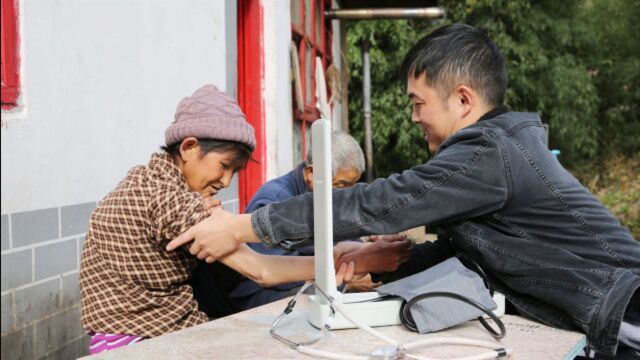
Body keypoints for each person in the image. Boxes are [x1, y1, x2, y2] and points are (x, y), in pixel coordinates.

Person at [168, 25, 640, 358]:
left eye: (419, 103)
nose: (414, 118)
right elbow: (461, 256)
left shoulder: (488, 152)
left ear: (462, 99)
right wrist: (384, 259)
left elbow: (382, 202)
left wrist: (246, 225)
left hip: (626, 313)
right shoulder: (498, 152)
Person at [79, 84, 397, 354]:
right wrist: (344, 264)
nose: (227, 181)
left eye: (236, 171)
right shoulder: (167, 198)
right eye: (224, 165)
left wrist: (336, 257)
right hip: (139, 340)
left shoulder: (151, 179)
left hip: (141, 329)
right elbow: (261, 270)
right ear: (189, 147)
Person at [227, 131, 406, 309]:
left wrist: (367, 250)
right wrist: (347, 281)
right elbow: (275, 276)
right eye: (342, 185)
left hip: (314, 279)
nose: (348, 195)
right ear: (312, 173)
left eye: (353, 186)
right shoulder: (273, 201)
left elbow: (347, 241)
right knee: (331, 303)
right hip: (262, 293)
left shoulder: (329, 197)